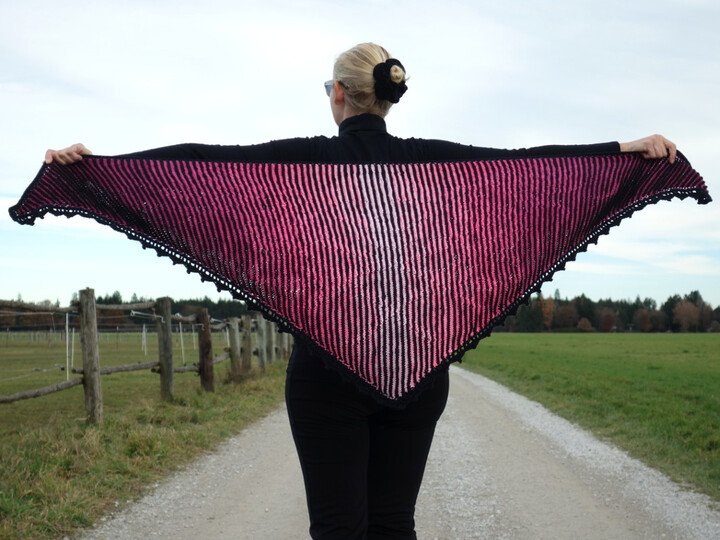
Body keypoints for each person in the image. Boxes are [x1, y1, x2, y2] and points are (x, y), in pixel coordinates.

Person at [45, 43, 678, 539]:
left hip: (323, 376)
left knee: (337, 530)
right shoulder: (437, 163)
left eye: (329, 88)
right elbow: (533, 165)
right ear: (388, 99)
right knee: (394, 525)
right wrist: (623, 151)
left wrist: (96, 166)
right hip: (421, 373)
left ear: (341, 94)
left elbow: (197, 163)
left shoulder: (304, 162)